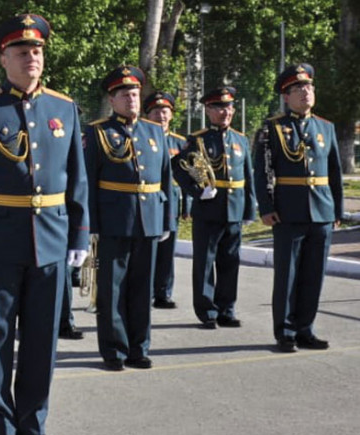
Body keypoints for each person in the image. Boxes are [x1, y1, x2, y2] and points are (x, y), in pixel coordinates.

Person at [0, 15, 88, 435]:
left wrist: (79, 235)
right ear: (4, 58)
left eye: (37, 51)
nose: (32, 57)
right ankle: (2, 428)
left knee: (42, 337)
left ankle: (33, 423)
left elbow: (77, 180)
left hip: (51, 237)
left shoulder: (63, 107)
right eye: (22, 51)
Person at [85, 65, 172, 371]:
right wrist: (90, 227)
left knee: (142, 289)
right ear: (112, 99)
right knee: (112, 291)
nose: (132, 99)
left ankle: (139, 347)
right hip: (113, 220)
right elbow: (88, 182)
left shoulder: (154, 132)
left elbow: (165, 178)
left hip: (149, 219)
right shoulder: (98, 132)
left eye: (135, 93)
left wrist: (167, 221)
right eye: (124, 94)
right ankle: (114, 350)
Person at [253, 63, 343, 353]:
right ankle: (286, 332)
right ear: (286, 96)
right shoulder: (272, 128)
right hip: (288, 211)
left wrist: (337, 211)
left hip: (322, 211)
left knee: (314, 275)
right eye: (298, 89)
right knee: (287, 275)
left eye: (309, 87)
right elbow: (262, 171)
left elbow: (335, 173)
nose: (306, 92)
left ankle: (306, 329)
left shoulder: (326, 128)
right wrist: (266, 207)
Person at [173, 87, 255, 329]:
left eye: (229, 107)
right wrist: (198, 191)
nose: (225, 112)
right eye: (219, 107)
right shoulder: (197, 140)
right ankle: (207, 311)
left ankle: (227, 309)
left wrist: (249, 210)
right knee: (205, 263)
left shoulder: (240, 139)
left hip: (234, 209)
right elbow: (178, 168)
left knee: (230, 261)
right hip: (209, 209)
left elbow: (248, 176)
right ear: (208, 110)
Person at [145, 92, 187, 310]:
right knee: (147, 249)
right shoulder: (143, 138)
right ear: (148, 115)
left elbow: (188, 176)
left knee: (167, 250)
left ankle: (164, 292)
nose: (160, 115)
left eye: (165, 111)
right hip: (148, 200)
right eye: (156, 111)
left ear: (171, 115)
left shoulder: (180, 143)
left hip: (172, 201)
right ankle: (146, 291)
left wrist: (187, 206)